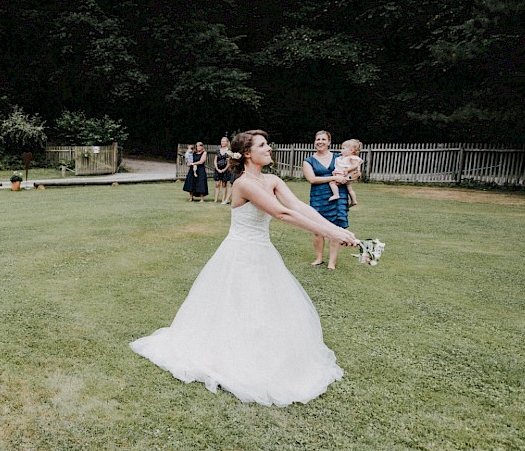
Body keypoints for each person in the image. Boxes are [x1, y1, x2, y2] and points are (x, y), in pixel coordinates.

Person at [129, 130, 357, 407]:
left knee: (267, 305)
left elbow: (297, 205)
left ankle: (265, 353)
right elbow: (281, 213)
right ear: (248, 153)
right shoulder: (244, 184)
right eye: (263, 145)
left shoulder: (272, 179)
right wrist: (330, 234)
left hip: (264, 253)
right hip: (240, 254)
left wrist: (337, 229)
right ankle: (232, 355)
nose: (269, 148)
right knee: (239, 304)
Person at [302, 130, 351, 269]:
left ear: (329, 142)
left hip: (338, 196)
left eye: (323, 139)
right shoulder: (308, 161)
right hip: (318, 197)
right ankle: (319, 258)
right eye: (318, 139)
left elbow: (354, 172)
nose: (320, 142)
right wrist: (334, 177)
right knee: (317, 230)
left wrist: (347, 179)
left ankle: (332, 263)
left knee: (336, 228)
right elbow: (312, 179)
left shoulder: (339, 158)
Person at [328, 139, 363, 206]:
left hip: (345, 175)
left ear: (351, 150)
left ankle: (336, 194)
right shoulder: (344, 157)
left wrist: (347, 170)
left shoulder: (352, 158)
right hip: (347, 177)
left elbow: (355, 165)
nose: (341, 150)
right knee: (349, 188)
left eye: (343, 148)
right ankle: (354, 200)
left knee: (332, 183)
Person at [213, 136, 233, 205]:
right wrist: (217, 169)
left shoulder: (229, 151)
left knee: (224, 185)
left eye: (224, 141)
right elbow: (215, 161)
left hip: (225, 170)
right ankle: (215, 199)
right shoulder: (217, 151)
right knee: (217, 184)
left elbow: (229, 162)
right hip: (217, 169)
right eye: (222, 141)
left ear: (227, 142)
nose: (223, 142)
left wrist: (224, 169)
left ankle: (224, 199)